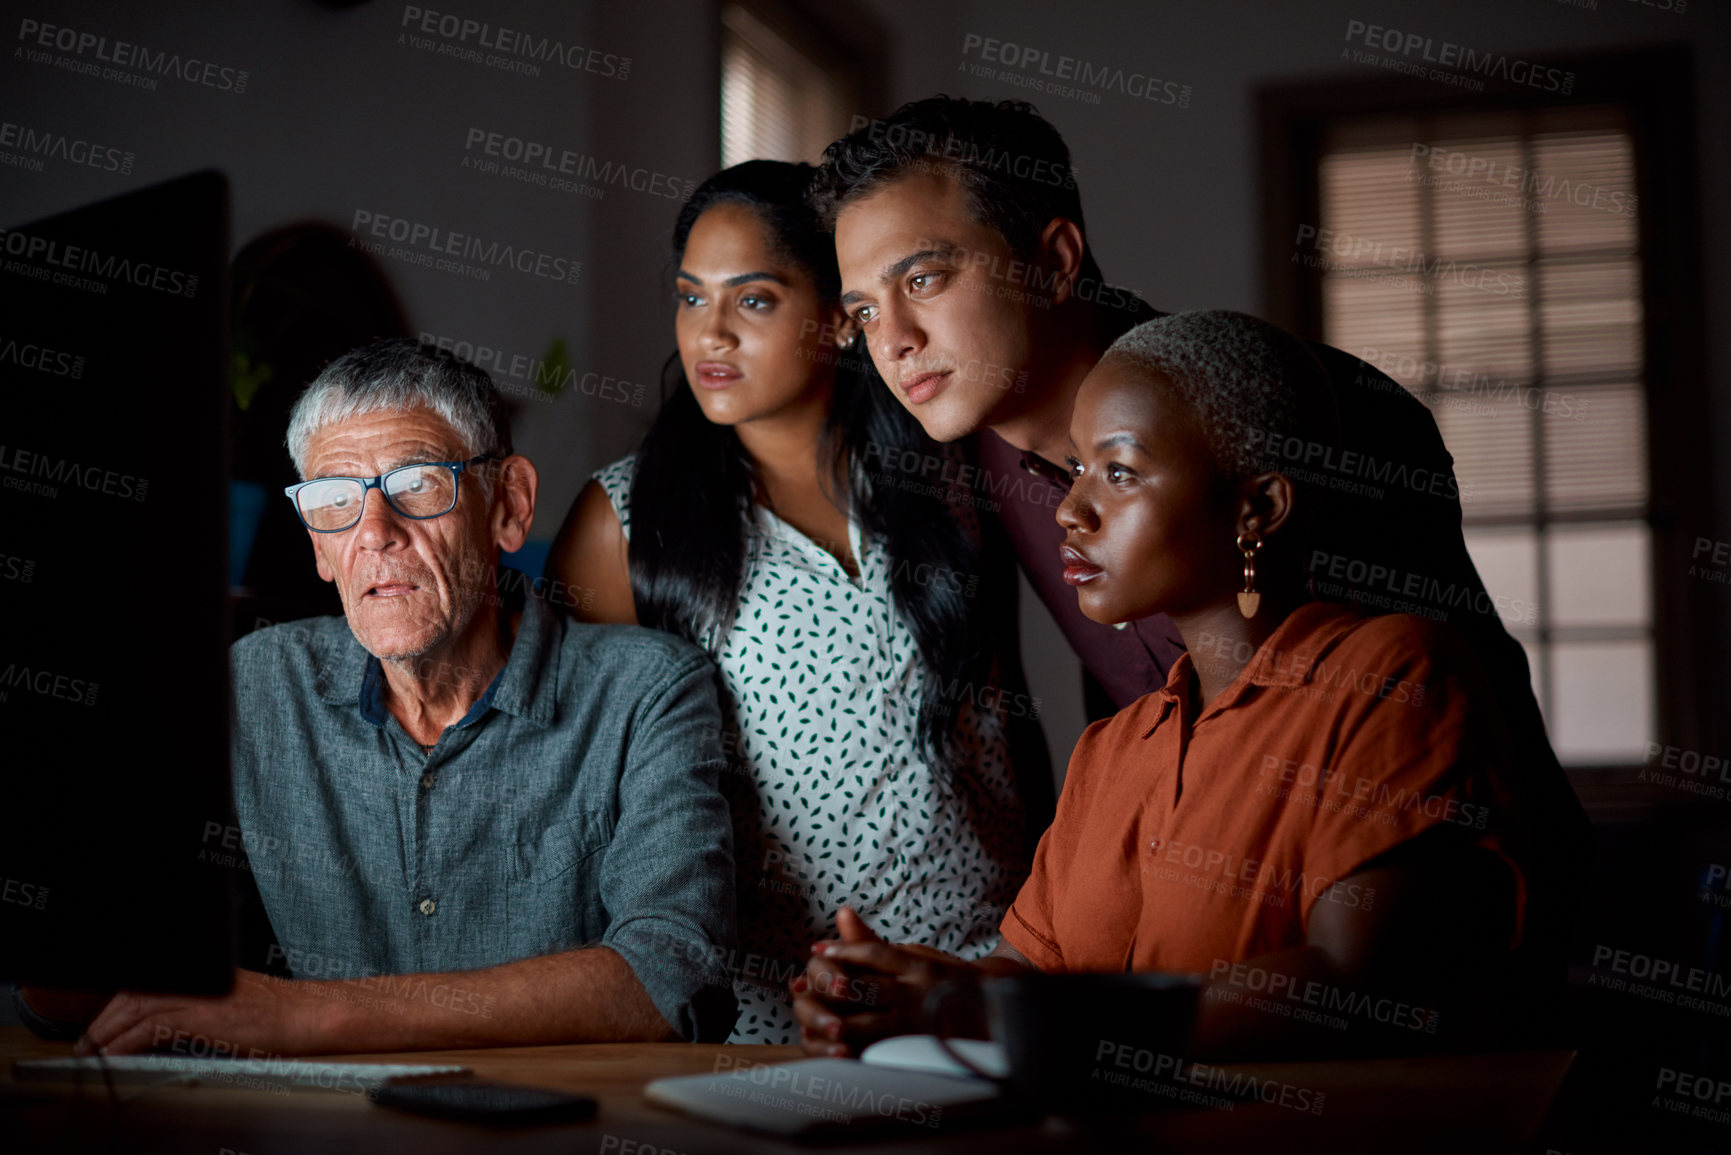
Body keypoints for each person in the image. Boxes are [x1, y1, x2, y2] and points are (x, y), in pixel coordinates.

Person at [792, 312, 1580, 1060]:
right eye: (1076, 469)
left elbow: (1352, 984)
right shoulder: (1113, 748)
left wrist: (983, 1014)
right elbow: (1026, 979)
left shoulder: (1392, 676)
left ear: (1258, 507)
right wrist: (898, 991)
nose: (1071, 509)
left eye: (1119, 471)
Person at [17, 339, 739, 1052]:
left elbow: (672, 973)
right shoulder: (254, 686)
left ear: (508, 505)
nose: (375, 534)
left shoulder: (648, 690)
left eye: (418, 484)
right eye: (334, 499)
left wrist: (306, 1016)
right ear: (316, 545)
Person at [546, 161, 1050, 1045]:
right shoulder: (623, 523)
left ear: (837, 318)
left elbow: (1012, 723)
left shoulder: (949, 472)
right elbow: (586, 808)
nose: (710, 334)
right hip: (776, 1015)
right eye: (691, 297)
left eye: (753, 300)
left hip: (988, 978)